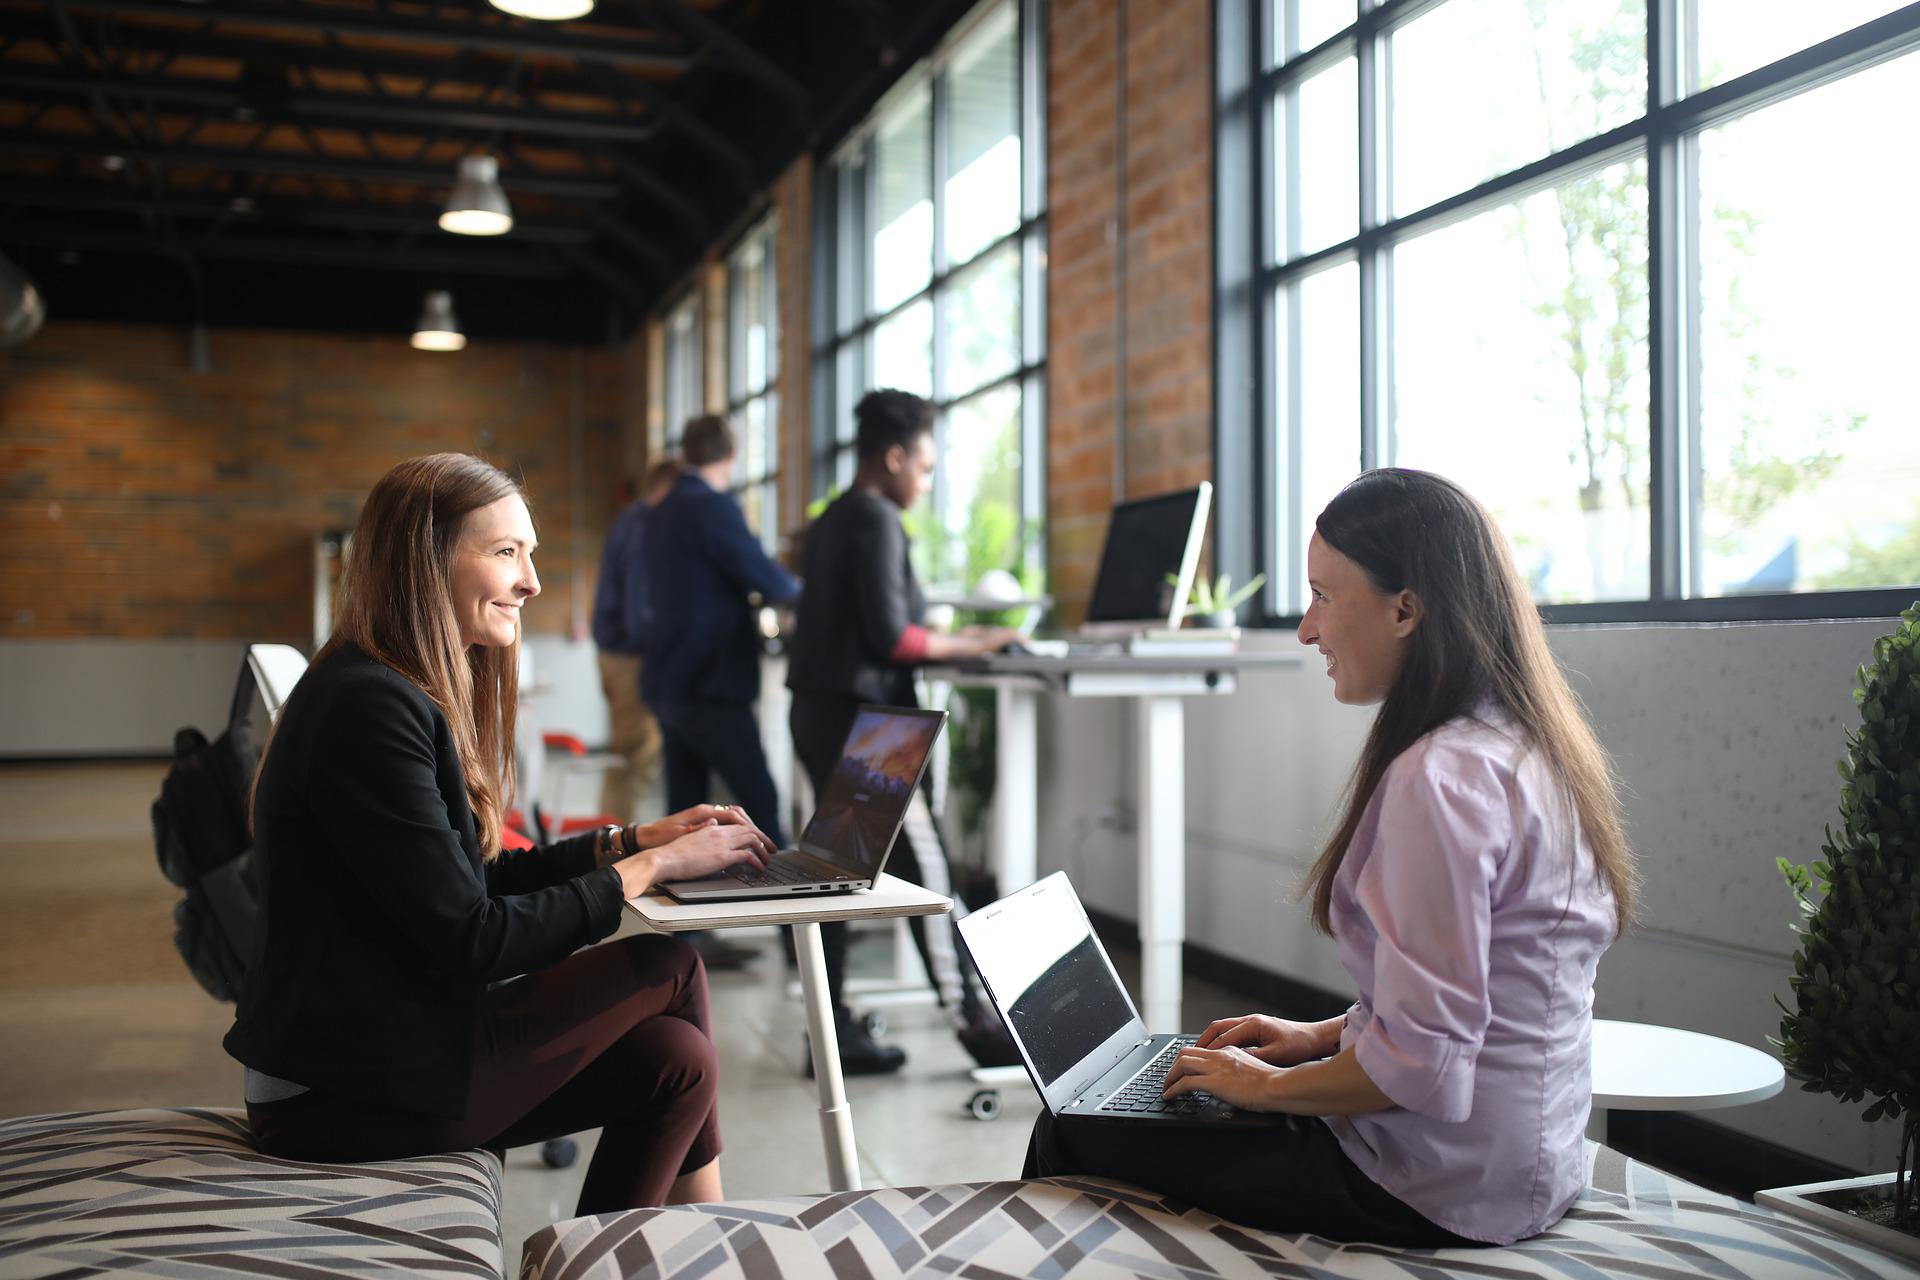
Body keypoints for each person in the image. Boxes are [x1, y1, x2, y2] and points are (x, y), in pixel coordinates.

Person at [1023, 468, 1639, 1247]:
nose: (1308, 630)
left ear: (1406, 609)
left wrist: (1267, 1089)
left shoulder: (1438, 781)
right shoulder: (1525, 748)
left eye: (1321, 595)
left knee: (1070, 1133)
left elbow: (1423, 1068)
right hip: (1528, 1163)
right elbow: (1462, 999)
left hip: (1436, 1183)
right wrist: (1319, 1038)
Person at [224, 452, 776, 1215]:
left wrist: (629, 841)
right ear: (426, 563)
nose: (532, 582)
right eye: (506, 552)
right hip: (335, 1090)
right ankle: (715, 1239)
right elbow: (474, 938)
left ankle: (623, 1263)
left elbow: (472, 879)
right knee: (669, 968)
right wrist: (648, 872)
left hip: (373, 1052)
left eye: (531, 553)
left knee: (675, 1061)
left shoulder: (384, 687)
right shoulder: (368, 709)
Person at [786, 388, 1023, 1075]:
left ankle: (828, 1035)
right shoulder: (878, 518)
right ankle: (975, 1023)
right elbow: (893, 636)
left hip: (822, 710)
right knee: (930, 870)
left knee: (833, 874)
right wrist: (976, 640)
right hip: (867, 726)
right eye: (923, 465)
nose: (927, 479)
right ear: (893, 458)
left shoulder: (832, 519)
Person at [641, 414, 802, 872]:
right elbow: (765, 577)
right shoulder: (712, 506)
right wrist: (813, 594)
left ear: (684, 454)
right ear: (732, 455)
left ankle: (679, 933)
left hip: (668, 678)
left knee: (687, 816)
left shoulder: (660, 510)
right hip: (710, 681)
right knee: (761, 806)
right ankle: (796, 931)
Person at [590, 459, 682, 822]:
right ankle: (614, 848)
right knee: (636, 755)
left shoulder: (628, 520)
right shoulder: (645, 525)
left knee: (627, 754)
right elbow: (639, 602)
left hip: (614, 652)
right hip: (630, 656)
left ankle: (608, 837)